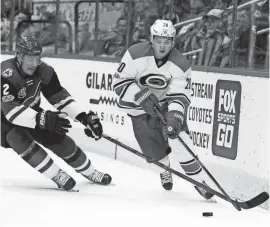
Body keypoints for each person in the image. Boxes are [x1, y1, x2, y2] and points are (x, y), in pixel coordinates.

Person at [113, 19, 213, 200]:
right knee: (153, 153)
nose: (162, 46)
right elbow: (119, 83)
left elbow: (179, 96)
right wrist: (142, 97)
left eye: (167, 42)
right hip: (139, 108)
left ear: (173, 42)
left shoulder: (181, 64)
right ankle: (165, 168)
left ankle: (200, 182)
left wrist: (174, 118)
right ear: (151, 39)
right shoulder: (135, 54)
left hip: (166, 105)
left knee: (179, 139)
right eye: (158, 40)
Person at [1, 35, 112, 191]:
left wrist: (82, 117)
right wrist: (41, 118)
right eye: (29, 58)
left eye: (37, 58)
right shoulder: (7, 74)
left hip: (30, 112)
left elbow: (58, 96)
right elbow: (11, 112)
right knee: (18, 137)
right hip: (3, 121)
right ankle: (56, 174)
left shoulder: (44, 71)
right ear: (19, 56)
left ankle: (90, 172)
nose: (34, 63)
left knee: (58, 136)